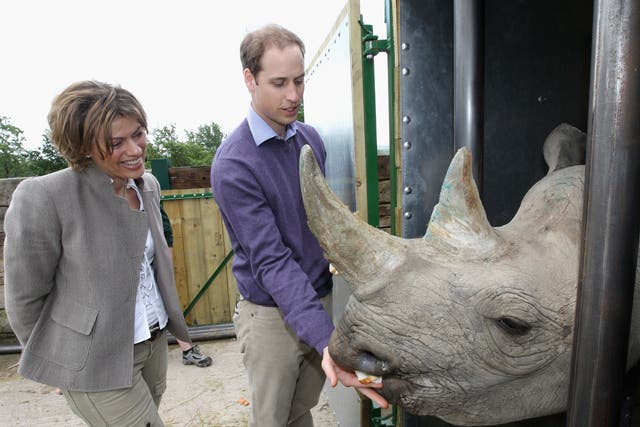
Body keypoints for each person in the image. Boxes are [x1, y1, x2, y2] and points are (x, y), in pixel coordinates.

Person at [210, 24, 388, 427]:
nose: (294, 95)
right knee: (273, 420)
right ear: (249, 80)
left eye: (299, 80)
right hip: (271, 315)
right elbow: (272, 262)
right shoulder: (234, 164)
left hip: (316, 298)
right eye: (278, 83)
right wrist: (327, 339)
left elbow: (323, 222)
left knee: (300, 410)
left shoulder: (309, 139)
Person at [4, 80, 191, 426]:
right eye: (116, 143)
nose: (135, 149)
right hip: (94, 359)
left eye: (138, 134)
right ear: (84, 147)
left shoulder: (147, 185)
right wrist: (60, 361)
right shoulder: (45, 196)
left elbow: (151, 265)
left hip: (152, 343)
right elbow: (24, 298)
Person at [159, 203, 212, 367]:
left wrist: (167, 246)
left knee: (168, 296)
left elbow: (162, 221)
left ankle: (187, 349)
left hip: (154, 249)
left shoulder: (146, 186)